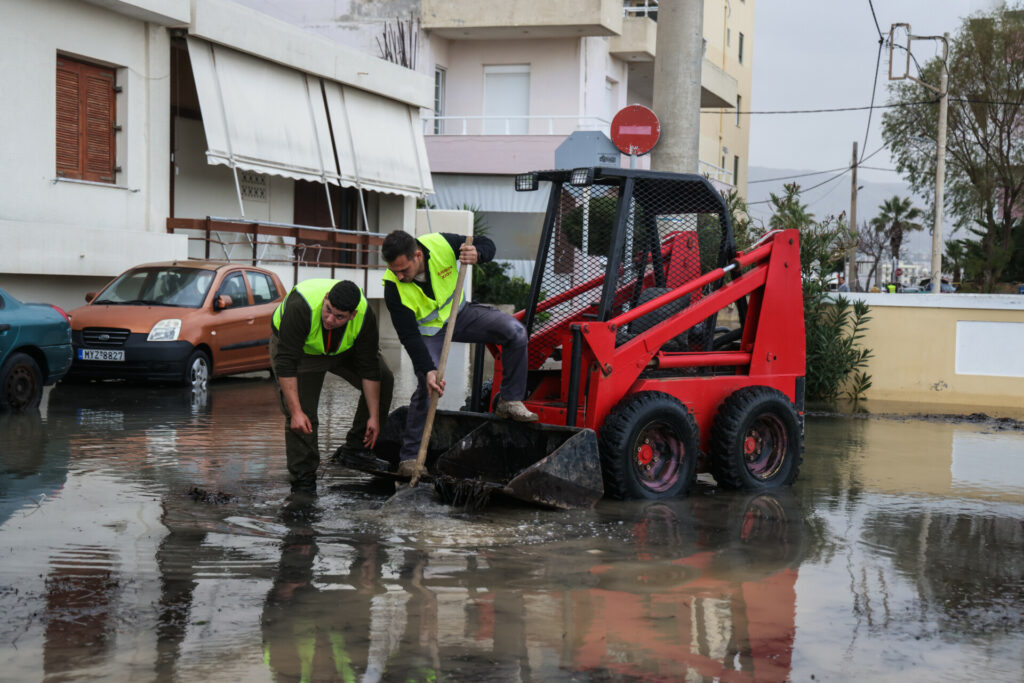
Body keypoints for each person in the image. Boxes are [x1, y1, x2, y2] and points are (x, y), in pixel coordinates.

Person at [381, 230, 537, 478]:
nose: (399, 276)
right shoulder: (392, 287)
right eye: (394, 270)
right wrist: (428, 369)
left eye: (403, 270)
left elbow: (487, 242)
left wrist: (479, 253)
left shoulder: (441, 244)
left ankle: (509, 400)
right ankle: (410, 458)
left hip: (460, 314)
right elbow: (409, 336)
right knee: (428, 384)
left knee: (515, 332)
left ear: (417, 255)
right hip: (428, 332)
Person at [270, 279, 393, 495]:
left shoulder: (364, 317)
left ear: (352, 315)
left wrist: (374, 416)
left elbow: (369, 368)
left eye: (339, 317)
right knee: (303, 417)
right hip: (301, 355)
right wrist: (296, 412)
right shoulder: (301, 307)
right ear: (326, 297)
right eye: (328, 311)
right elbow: (286, 363)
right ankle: (303, 485)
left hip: (343, 351)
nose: (329, 319)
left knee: (385, 378)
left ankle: (356, 448)